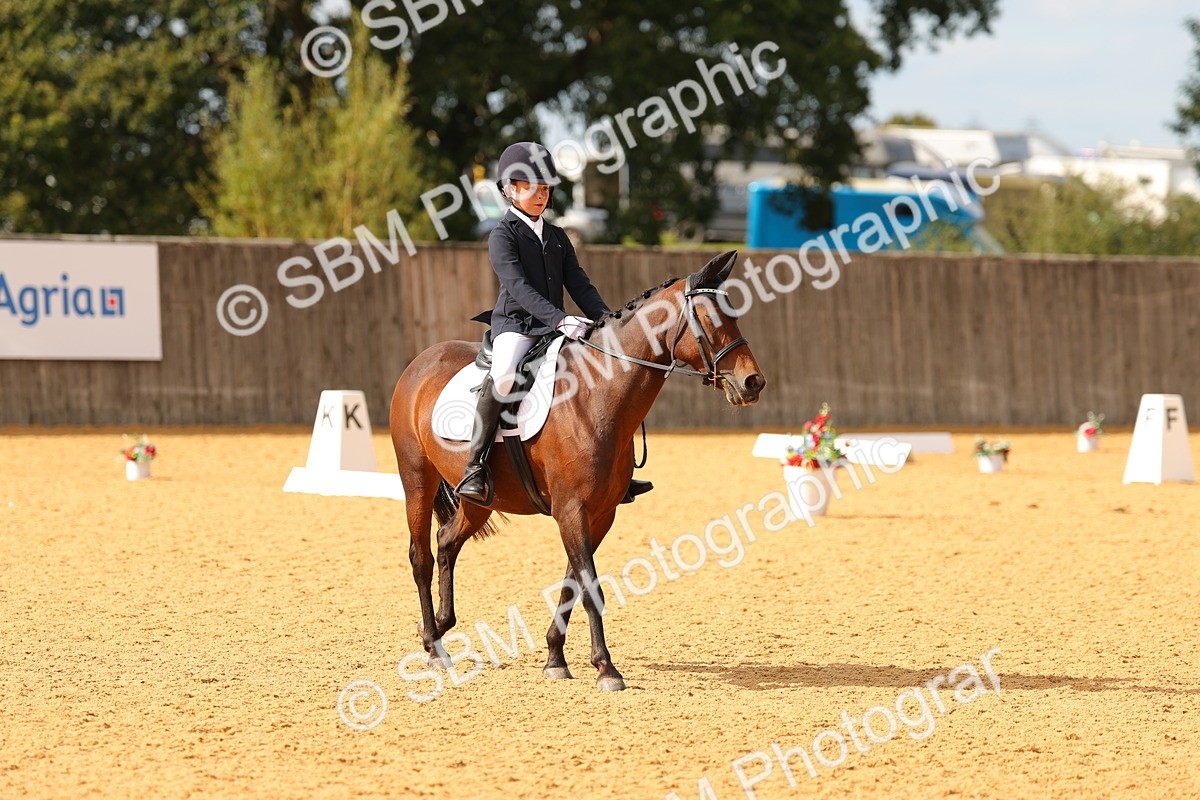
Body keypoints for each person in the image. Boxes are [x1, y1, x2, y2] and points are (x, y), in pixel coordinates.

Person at [455, 141, 652, 507]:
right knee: (503, 377)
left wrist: (609, 322)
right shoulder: (503, 235)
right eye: (532, 187)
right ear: (510, 189)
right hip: (516, 325)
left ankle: (616, 472)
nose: (541, 195)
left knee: (602, 370)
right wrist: (560, 319)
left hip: (555, 327)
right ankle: (475, 466)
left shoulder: (558, 236)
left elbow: (579, 285)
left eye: (545, 188)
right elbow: (518, 287)